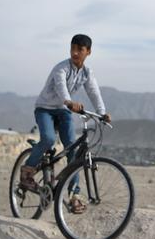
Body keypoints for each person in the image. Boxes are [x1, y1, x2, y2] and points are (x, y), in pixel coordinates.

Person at [20, 34, 111, 214]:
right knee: (48, 139)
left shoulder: (87, 73)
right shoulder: (61, 69)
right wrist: (69, 102)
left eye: (80, 49)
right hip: (45, 108)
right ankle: (27, 172)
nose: (75, 53)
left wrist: (102, 113)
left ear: (88, 52)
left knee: (73, 149)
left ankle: (73, 195)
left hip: (63, 111)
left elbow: (94, 92)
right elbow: (62, 88)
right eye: (72, 48)